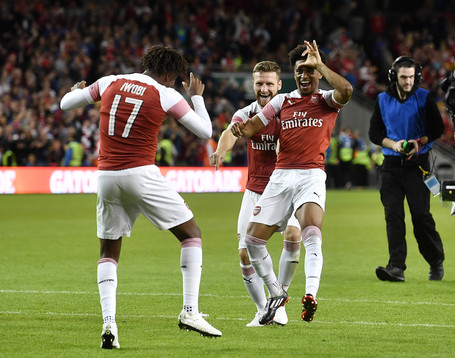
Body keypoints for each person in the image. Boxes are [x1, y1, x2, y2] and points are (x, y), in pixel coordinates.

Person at [59, 45, 222, 348]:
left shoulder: (109, 81)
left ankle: (109, 323)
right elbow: (205, 131)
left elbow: (65, 104)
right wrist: (196, 96)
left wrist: (75, 90)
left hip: (106, 177)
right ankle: (190, 311)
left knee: (108, 251)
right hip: (141, 173)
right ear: (170, 74)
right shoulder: (166, 94)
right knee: (191, 235)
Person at [229, 40, 353, 324]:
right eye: (300, 70)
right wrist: (239, 129)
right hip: (280, 176)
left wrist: (320, 63)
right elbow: (252, 127)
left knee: (309, 231)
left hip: (310, 174)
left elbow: (346, 90)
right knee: (251, 240)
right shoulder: (281, 101)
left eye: (310, 70)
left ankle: (310, 294)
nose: (305, 74)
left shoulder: (325, 100)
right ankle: (276, 292)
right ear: (294, 73)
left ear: (319, 73)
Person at [209, 61, 302, 327]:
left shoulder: (289, 112)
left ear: (279, 85)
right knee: (244, 255)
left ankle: (279, 298)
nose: (264, 88)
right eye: (259, 83)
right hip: (255, 190)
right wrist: (221, 151)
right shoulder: (246, 112)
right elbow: (232, 131)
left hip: (287, 188)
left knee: (294, 235)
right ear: (253, 84)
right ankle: (264, 310)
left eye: (269, 83)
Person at [368, 56, 445, 283]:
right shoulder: (382, 99)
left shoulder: (424, 97)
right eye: (404, 77)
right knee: (393, 216)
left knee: (421, 217)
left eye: (412, 77)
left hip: (418, 166)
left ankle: (435, 260)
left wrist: (419, 142)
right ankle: (396, 267)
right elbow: (374, 133)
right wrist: (393, 144)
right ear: (394, 77)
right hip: (391, 166)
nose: (408, 81)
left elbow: (438, 128)